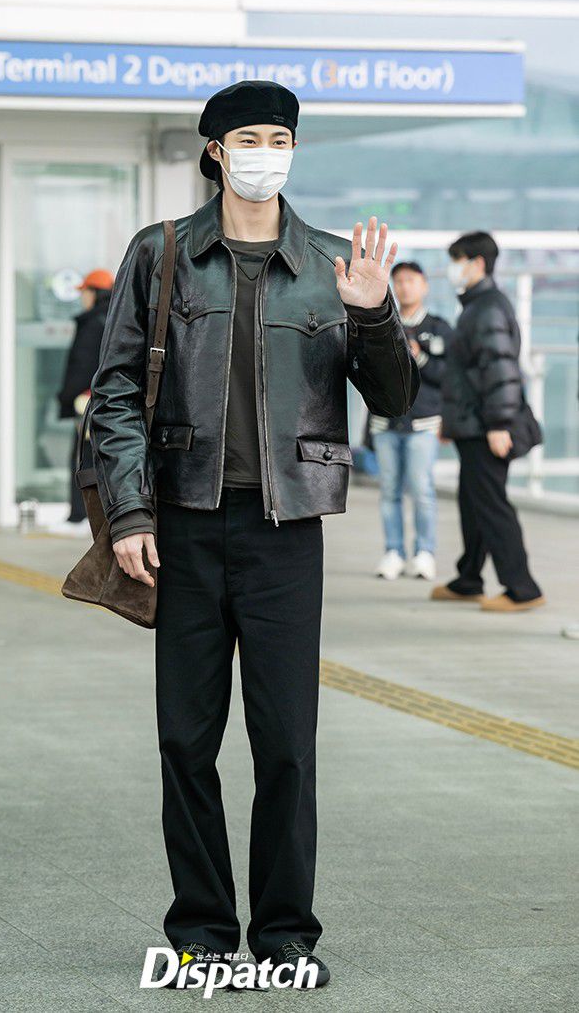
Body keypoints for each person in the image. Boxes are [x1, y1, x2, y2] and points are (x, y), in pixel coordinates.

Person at [88, 80, 419, 989]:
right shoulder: (161, 252)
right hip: (185, 527)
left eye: (280, 138)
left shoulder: (332, 264)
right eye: (249, 138)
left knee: (286, 746)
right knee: (186, 742)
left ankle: (284, 935)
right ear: (215, 151)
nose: (265, 153)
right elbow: (114, 394)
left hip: (287, 533)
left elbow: (396, 400)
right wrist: (130, 513)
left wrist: (373, 312)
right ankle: (201, 929)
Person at [432, 231, 545, 612]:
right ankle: (469, 579)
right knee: (473, 501)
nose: (454, 268)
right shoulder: (477, 306)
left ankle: (522, 588)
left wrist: (499, 423)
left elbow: (501, 370)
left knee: (491, 505)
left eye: (458, 260)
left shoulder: (487, 308)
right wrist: (450, 421)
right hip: (472, 424)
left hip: (486, 427)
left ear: (477, 263)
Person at [370, 261, 452, 580]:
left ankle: (424, 553)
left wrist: (420, 357)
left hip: (424, 423)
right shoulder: (382, 323)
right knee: (389, 490)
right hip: (385, 422)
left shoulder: (439, 327)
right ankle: (393, 552)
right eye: (399, 281)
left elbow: (449, 375)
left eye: (411, 280)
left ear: (424, 285)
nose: (405, 287)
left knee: (422, 489)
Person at [50, 269, 113, 535]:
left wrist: (66, 396)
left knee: (83, 460)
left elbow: (81, 366)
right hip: (107, 403)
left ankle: (80, 517)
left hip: (88, 403)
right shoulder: (115, 319)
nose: (82, 298)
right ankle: (92, 517)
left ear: (94, 293)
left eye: (85, 292)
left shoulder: (93, 323)